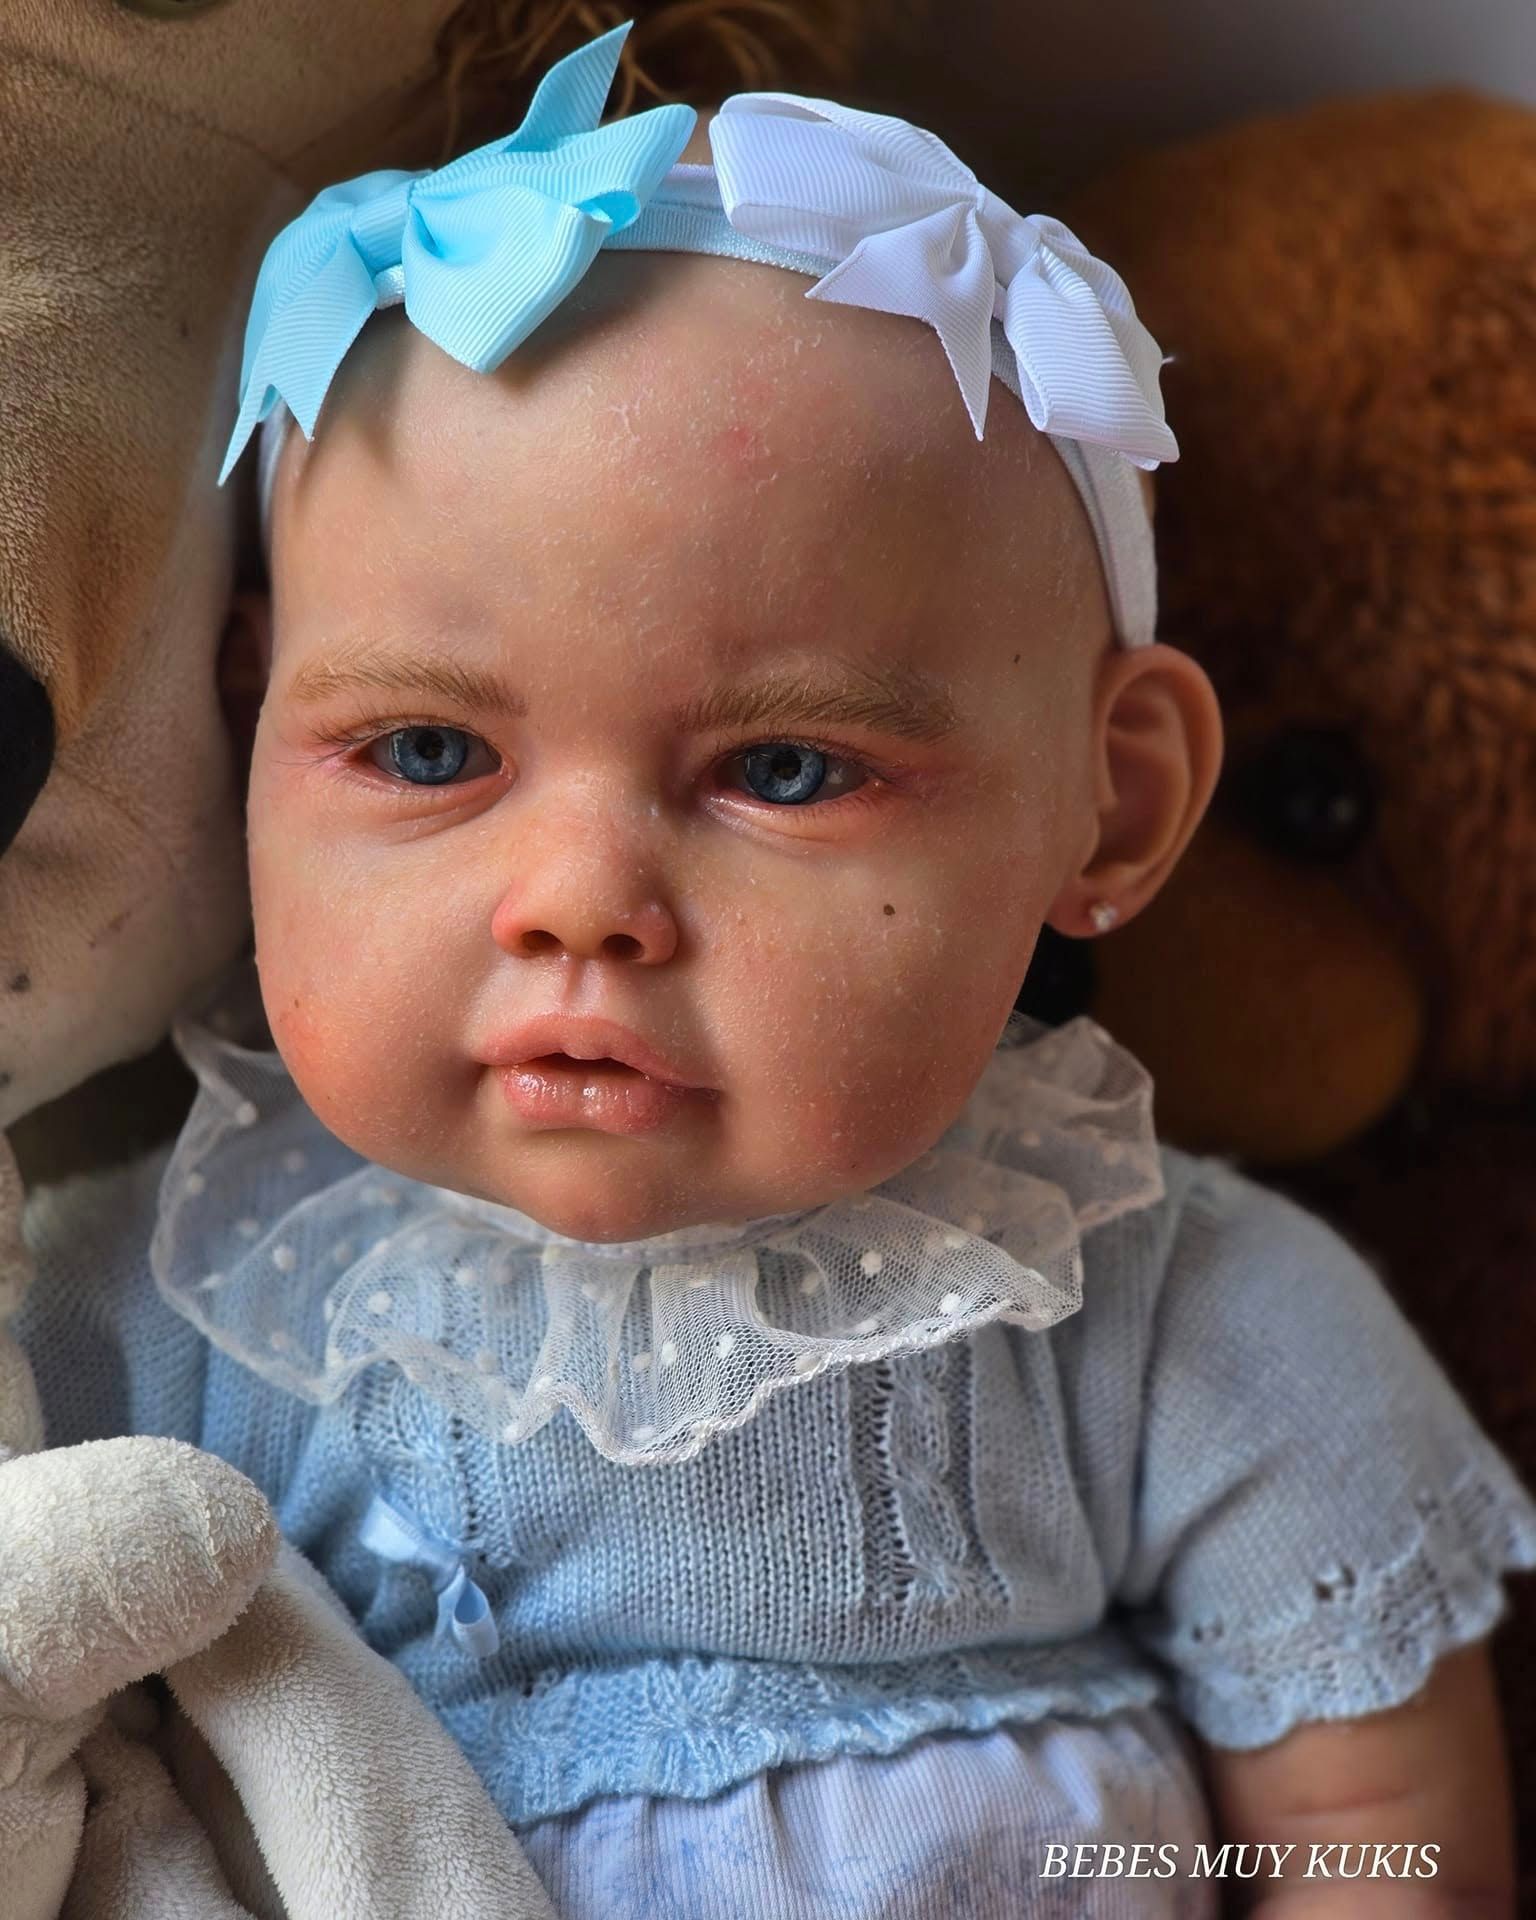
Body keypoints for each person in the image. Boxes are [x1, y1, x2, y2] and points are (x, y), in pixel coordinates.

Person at [22, 25, 1535, 1916]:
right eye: (426, 753)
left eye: (787, 770)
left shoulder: (1155, 1309)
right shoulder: (176, 1301)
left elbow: (1360, 1833)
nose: (579, 903)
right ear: (246, 734)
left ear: (1108, 805)